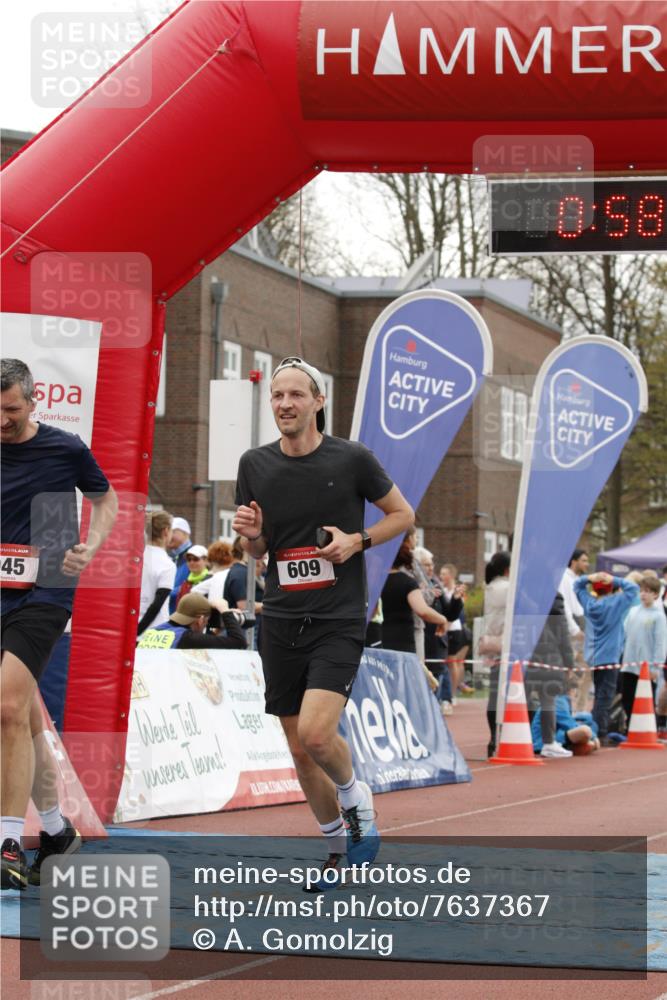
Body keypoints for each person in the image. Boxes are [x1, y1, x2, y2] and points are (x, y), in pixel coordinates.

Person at [232, 356, 414, 889]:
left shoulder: (353, 458)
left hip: (337, 615)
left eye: (295, 395)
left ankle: (357, 797)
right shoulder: (253, 463)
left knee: (315, 735)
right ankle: (338, 849)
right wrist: (252, 533)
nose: (285, 404)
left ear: (318, 402)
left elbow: (402, 515)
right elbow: (259, 547)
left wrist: (355, 542)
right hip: (280, 615)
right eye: (277, 396)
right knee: (296, 747)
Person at [1, 359, 119, 890]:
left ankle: (6, 845)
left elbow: (105, 498)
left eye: (10, 410)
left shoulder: (63, 448)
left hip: (46, 589)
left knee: (5, 705)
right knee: (23, 720)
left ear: (32, 403)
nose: (2, 421)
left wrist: (89, 547)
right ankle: (55, 832)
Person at [574, 571, 639, 746]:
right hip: (609, 658)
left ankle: (596, 727)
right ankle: (599, 732)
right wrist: (615, 579)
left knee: (599, 695)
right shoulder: (615, 603)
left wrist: (588, 578)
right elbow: (634, 588)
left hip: (593, 657)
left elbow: (576, 586)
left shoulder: (589, 603)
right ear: (611, 588)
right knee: (604, 697)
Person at [525, 593, 575, 757]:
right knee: (548, 700)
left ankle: (518, 738)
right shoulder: (553, 595)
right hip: (546, 655)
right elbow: (562, 630)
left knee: (521, 700)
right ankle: (548, 742)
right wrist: (568, 662)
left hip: (522, 652)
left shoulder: (520, 591)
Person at [620, 576, 667, 728]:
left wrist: (656, 667)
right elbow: (624, 634)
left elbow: (661, 643)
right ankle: (630, 727)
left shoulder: (659, 616)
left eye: (647, 591)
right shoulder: (633, 611)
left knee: (645, 699)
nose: (643, 594)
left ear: (655, 594)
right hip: (628, 664)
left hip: (646, 668)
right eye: (641, 591)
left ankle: (647, 729)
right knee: (627, 698)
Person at [480, 551, 511, 758]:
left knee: (494, 693)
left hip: (492, 644)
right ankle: (501, 737)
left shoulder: (490, 587)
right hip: (505, 644)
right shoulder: (508, 588)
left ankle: (494, 738)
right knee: (509, 695)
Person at [136, 592, 247, 651]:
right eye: (206, 621)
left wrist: (216, 632)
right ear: (200, 620)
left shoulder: (154, 631)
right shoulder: (187, 638)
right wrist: (225, 610)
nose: (206, 625)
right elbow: (239, 642)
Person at [559, 548, 590, 712]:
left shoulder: (580, 580)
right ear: (574, 561)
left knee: (585, 671)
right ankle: (568, 708)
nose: (587, 564)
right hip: (572, 627)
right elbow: (564, 605)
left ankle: (580, 708)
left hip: (581, 623)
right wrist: (574, 629)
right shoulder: (564, 578)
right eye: (584, 560)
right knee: (571, 672)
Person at [137, 510, 175, 636]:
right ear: (165, 531)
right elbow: (157, 604)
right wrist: (138, 631)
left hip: (132, 626)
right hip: (155, 632)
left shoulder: (135, 559)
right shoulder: (167, 564)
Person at [439, 562, 473, 699]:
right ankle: (448, 692)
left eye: (444, 573)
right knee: (447, 661)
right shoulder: (442, 590)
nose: (441, 576)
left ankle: (452, 694)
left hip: (454, 629)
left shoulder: (458, 591)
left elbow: (457, 611)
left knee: (452, 661)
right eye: (440, 573)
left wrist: (447, 624)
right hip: (444, 629)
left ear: (451, 575)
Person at [167, 516, 192, 612]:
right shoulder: (172, 558)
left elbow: (190, 586)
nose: (168, 535)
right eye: (168, 531)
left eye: (173, 532)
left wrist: (165, 593)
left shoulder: (194, 557)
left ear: (185, 533)